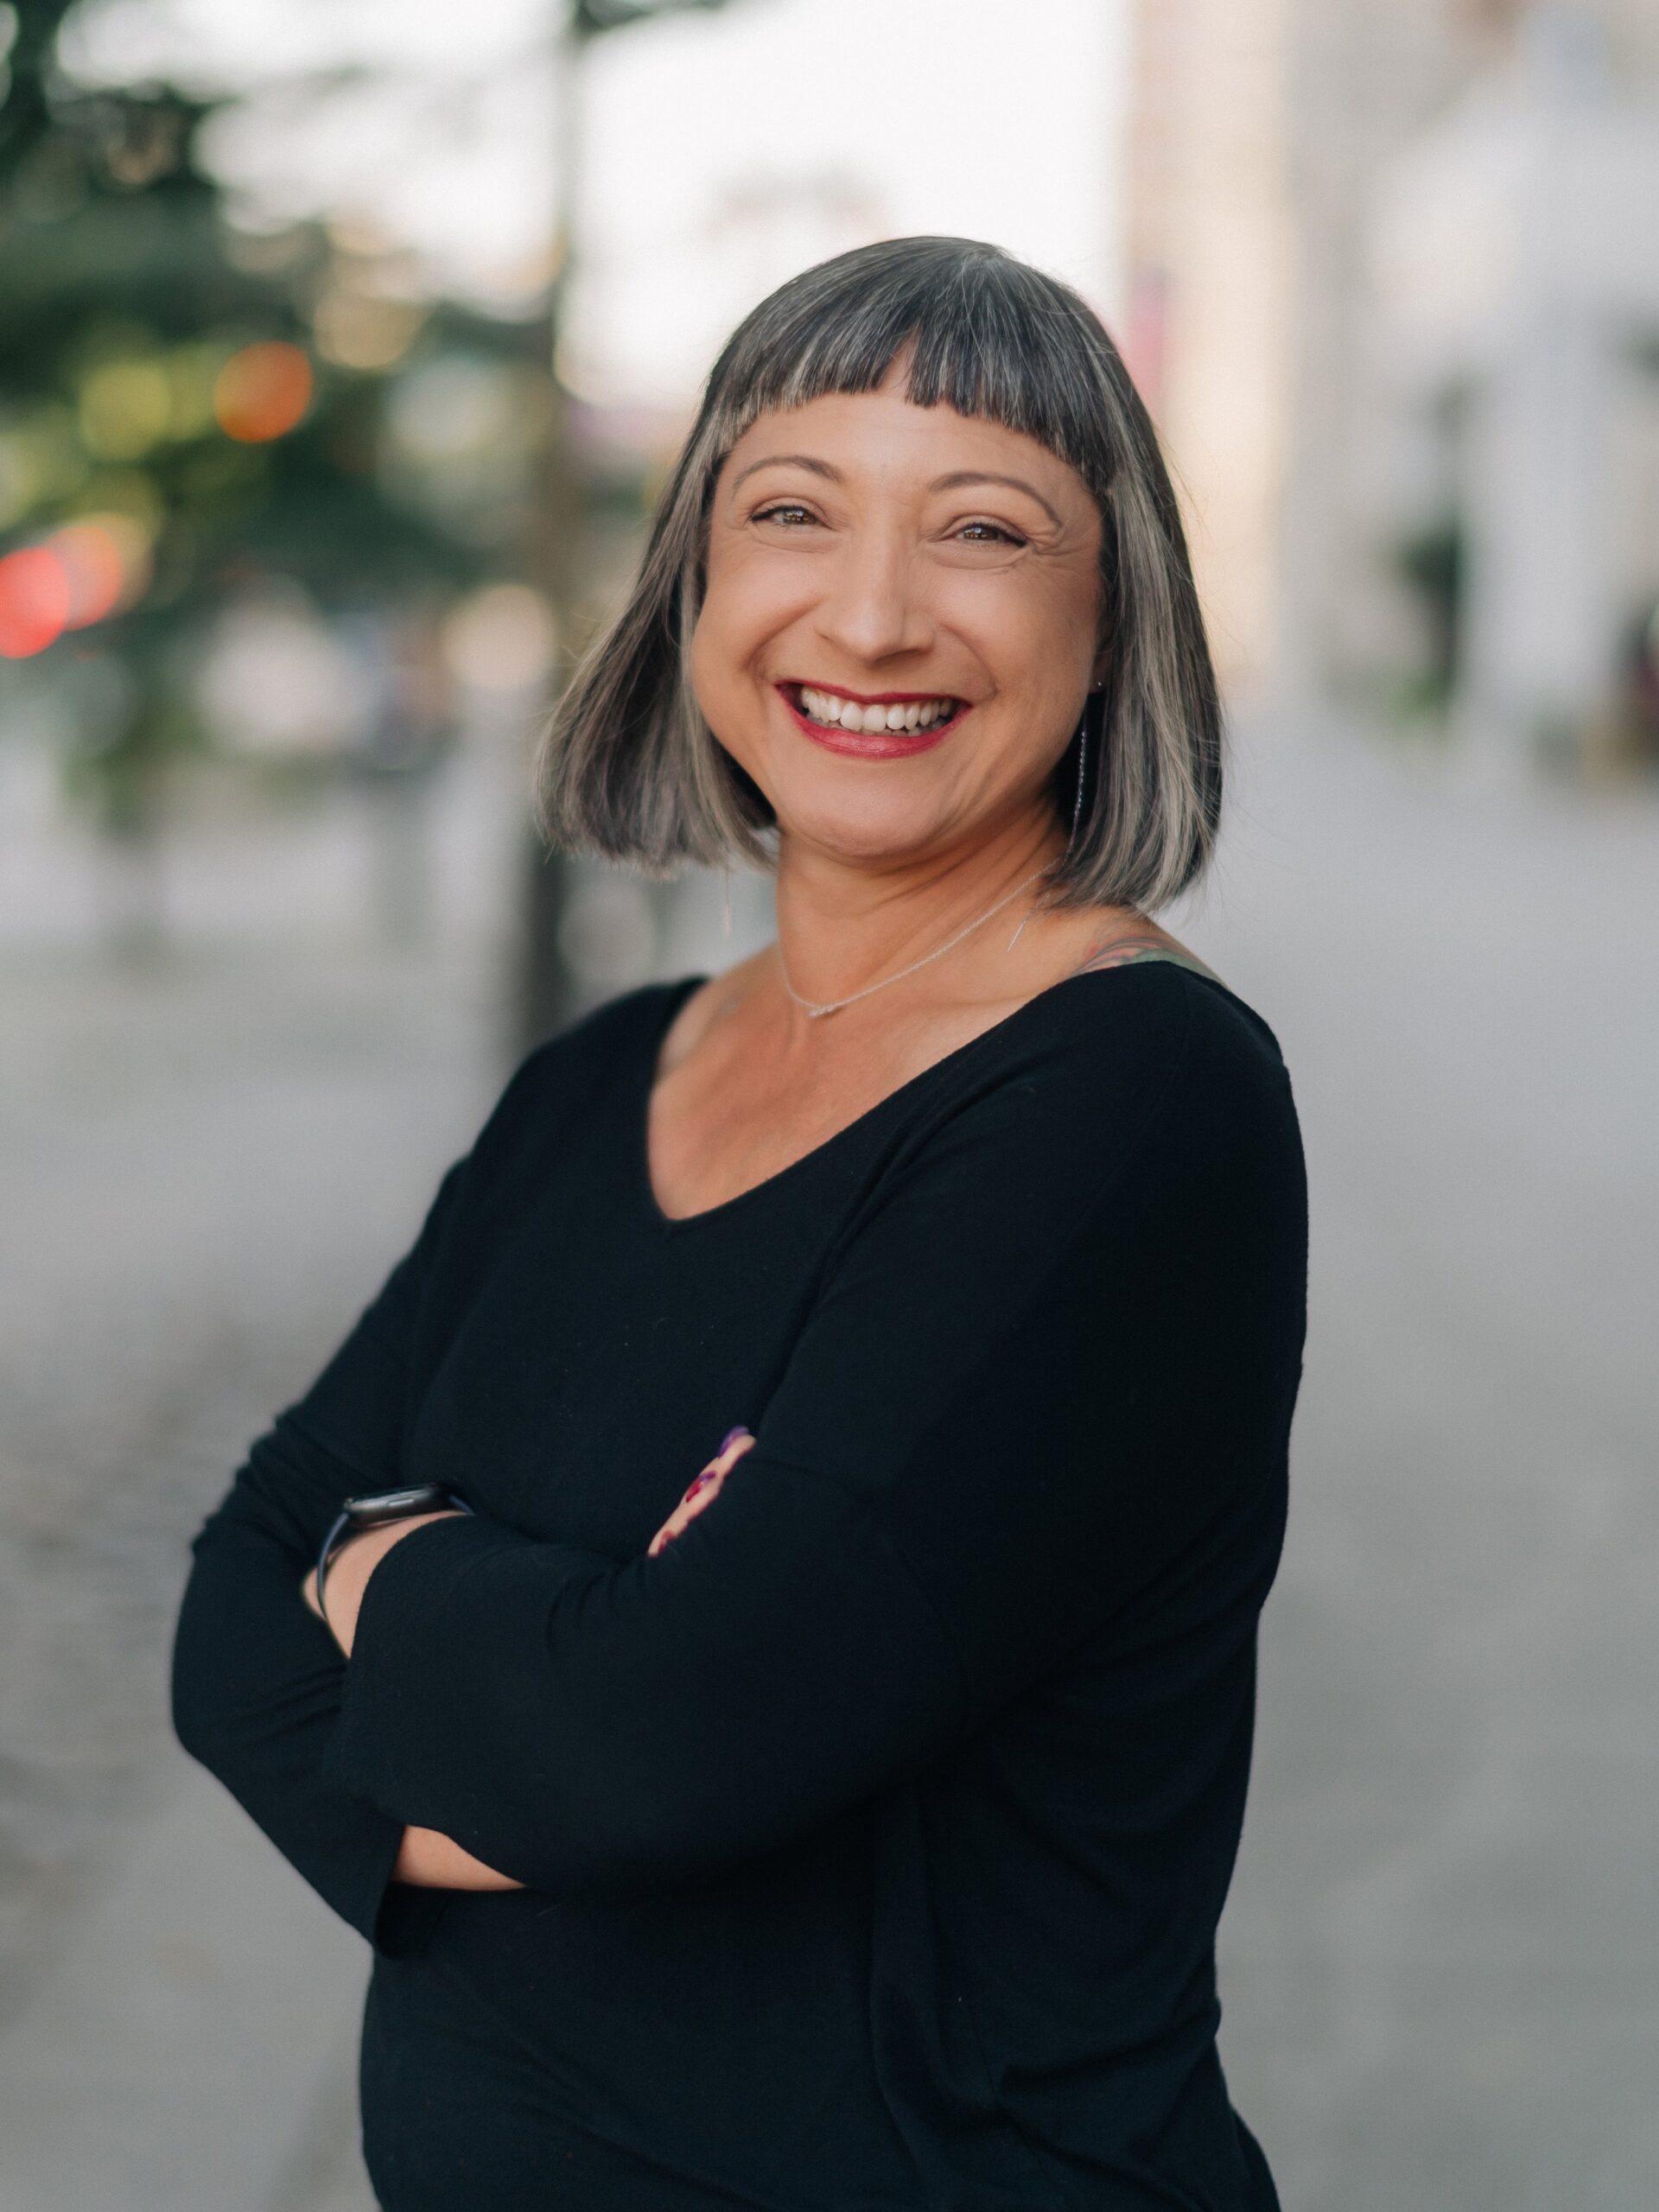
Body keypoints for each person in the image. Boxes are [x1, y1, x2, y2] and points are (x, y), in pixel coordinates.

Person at [172, 235, 1308, 2211]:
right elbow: (220, 1622)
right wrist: (544, 1692)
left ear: (1116, 619)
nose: (869, 615)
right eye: (791, 511)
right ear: (696, 579)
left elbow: (650, 1742)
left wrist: (389, 1590)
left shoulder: (1131, 1100)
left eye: (983, 530)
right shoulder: (603, 1076)